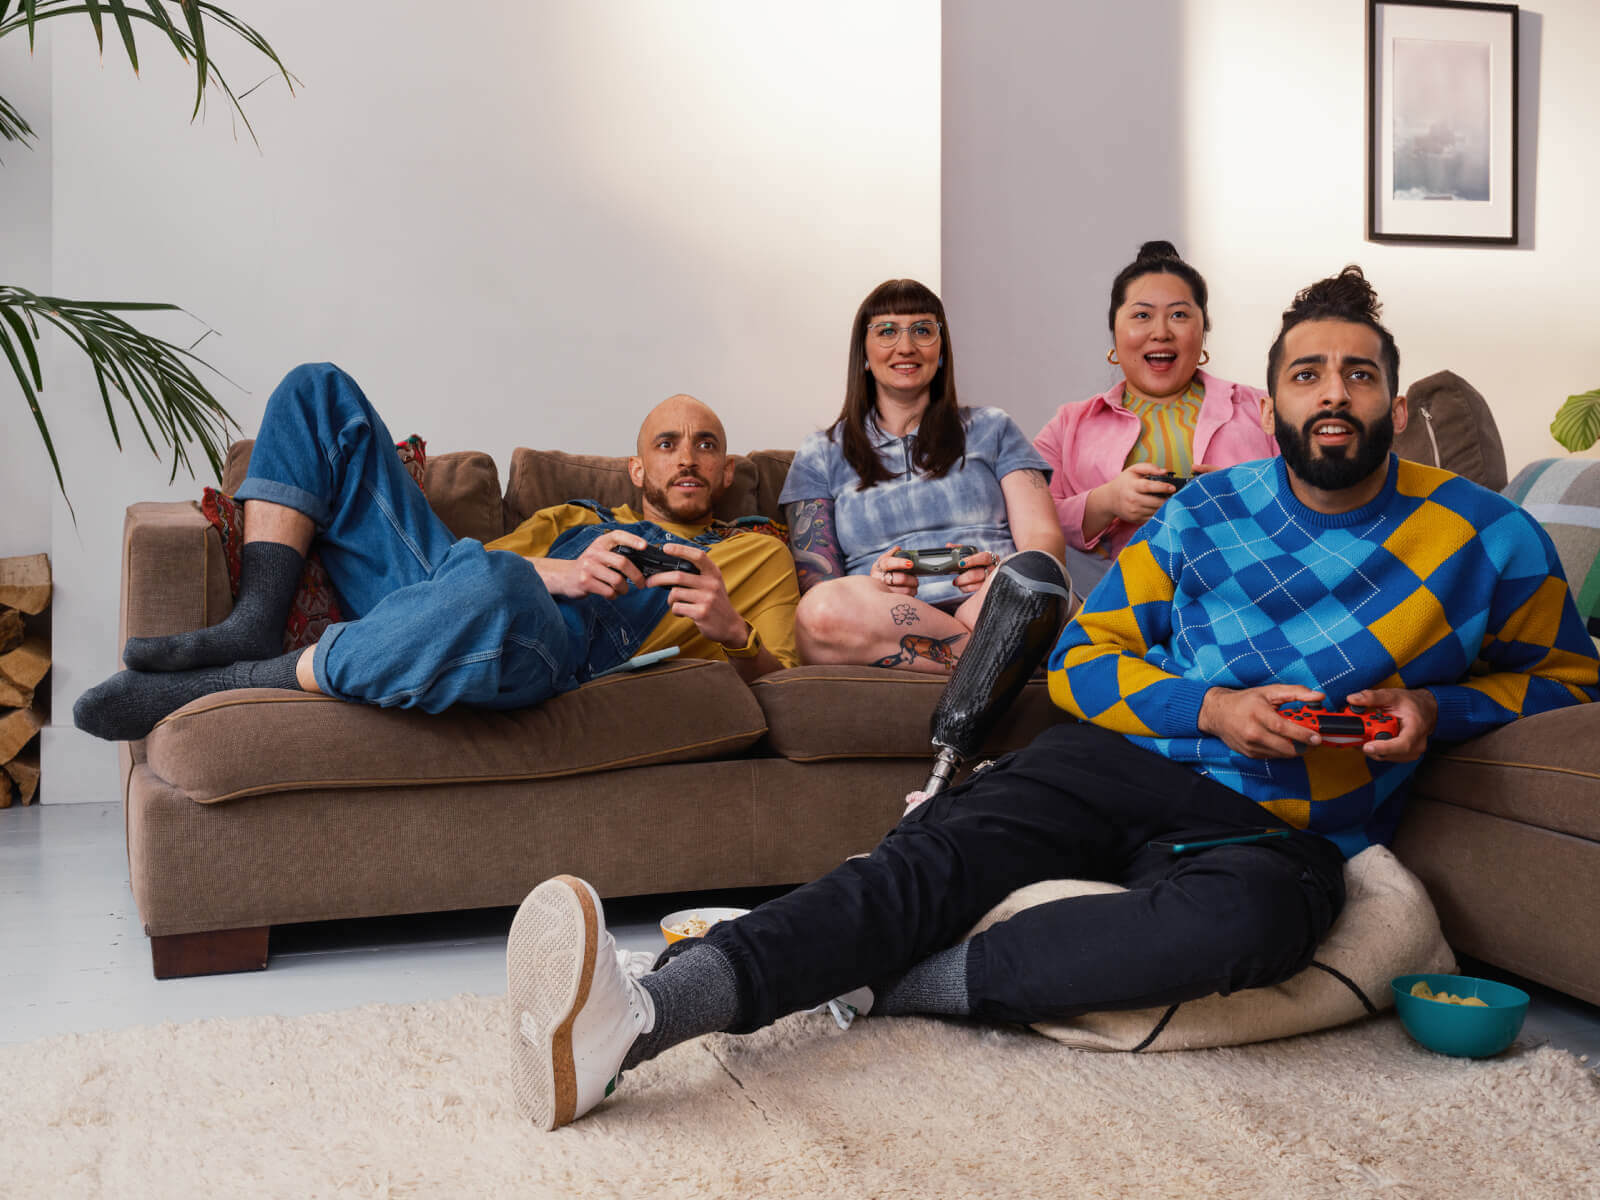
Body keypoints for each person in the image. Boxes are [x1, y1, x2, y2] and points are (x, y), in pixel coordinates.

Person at [505, 266, 1599, 1132]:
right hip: (1135, 762)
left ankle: (884, 981)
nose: (1331, 395)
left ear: (1395, 408)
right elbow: (1082, 660)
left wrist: (1432, 713)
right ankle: (641, 1016)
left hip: (1285, 826)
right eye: (1307, 374)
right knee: (928, 860)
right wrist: (1206, 712)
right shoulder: (1209, 510)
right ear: (1269, 401)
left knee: (1251, 932)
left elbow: (1566, 678)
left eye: (1356, 376)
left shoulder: (1483, 535)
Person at [73, 364, 799, 742]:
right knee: (317, 389)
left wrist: (731, 633)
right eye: (667, 444)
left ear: (729, 471)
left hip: (542, 649)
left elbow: (789, 676)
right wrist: (564, 569)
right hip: (453, 597)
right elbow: (465, 568)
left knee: (496, 591)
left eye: (707, 444)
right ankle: (257, 621)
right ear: (635, 469)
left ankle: (232, 680)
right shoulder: (572, 515)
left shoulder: (755, 554)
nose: (689, 458)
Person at [780, 278, 1066, 673]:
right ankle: (993, 660)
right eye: (886, 331)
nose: (906, 346)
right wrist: (879, 582)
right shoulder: (819, 453)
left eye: (922, 330)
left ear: (942, 349)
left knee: (1033, 574)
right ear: (863, 354)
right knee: (820, 611)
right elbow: (819, 585)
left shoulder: (993, 427)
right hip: (891, 618)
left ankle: (968, 654)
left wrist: (996, 569)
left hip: (993, 600)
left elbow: (1044, 544)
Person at [1034, 240, 1278, 593]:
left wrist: (1241, 498)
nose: (1161, 331)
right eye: (1142, 315)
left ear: (1203, 329)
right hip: (1106, 593)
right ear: (1115, 333)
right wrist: (1107, 502)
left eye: (1179, 315)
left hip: (1243, 586)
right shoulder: (1068, 425)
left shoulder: (1263, 409)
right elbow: (1029, 523)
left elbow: (1312, 496)